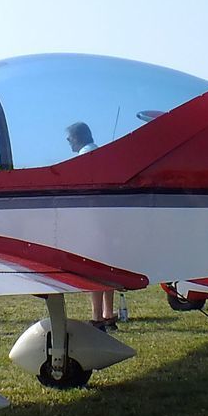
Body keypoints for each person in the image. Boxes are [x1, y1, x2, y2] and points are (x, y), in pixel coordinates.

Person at [63, 123, 120, 330]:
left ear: (78, 138)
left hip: (93, 219)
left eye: (69, 138)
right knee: (107, 267)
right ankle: (108, 314)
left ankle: (96, 317)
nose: (68, 142)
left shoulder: (83, 157)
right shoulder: (103, 155)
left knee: (93, 268)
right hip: (107, 219)